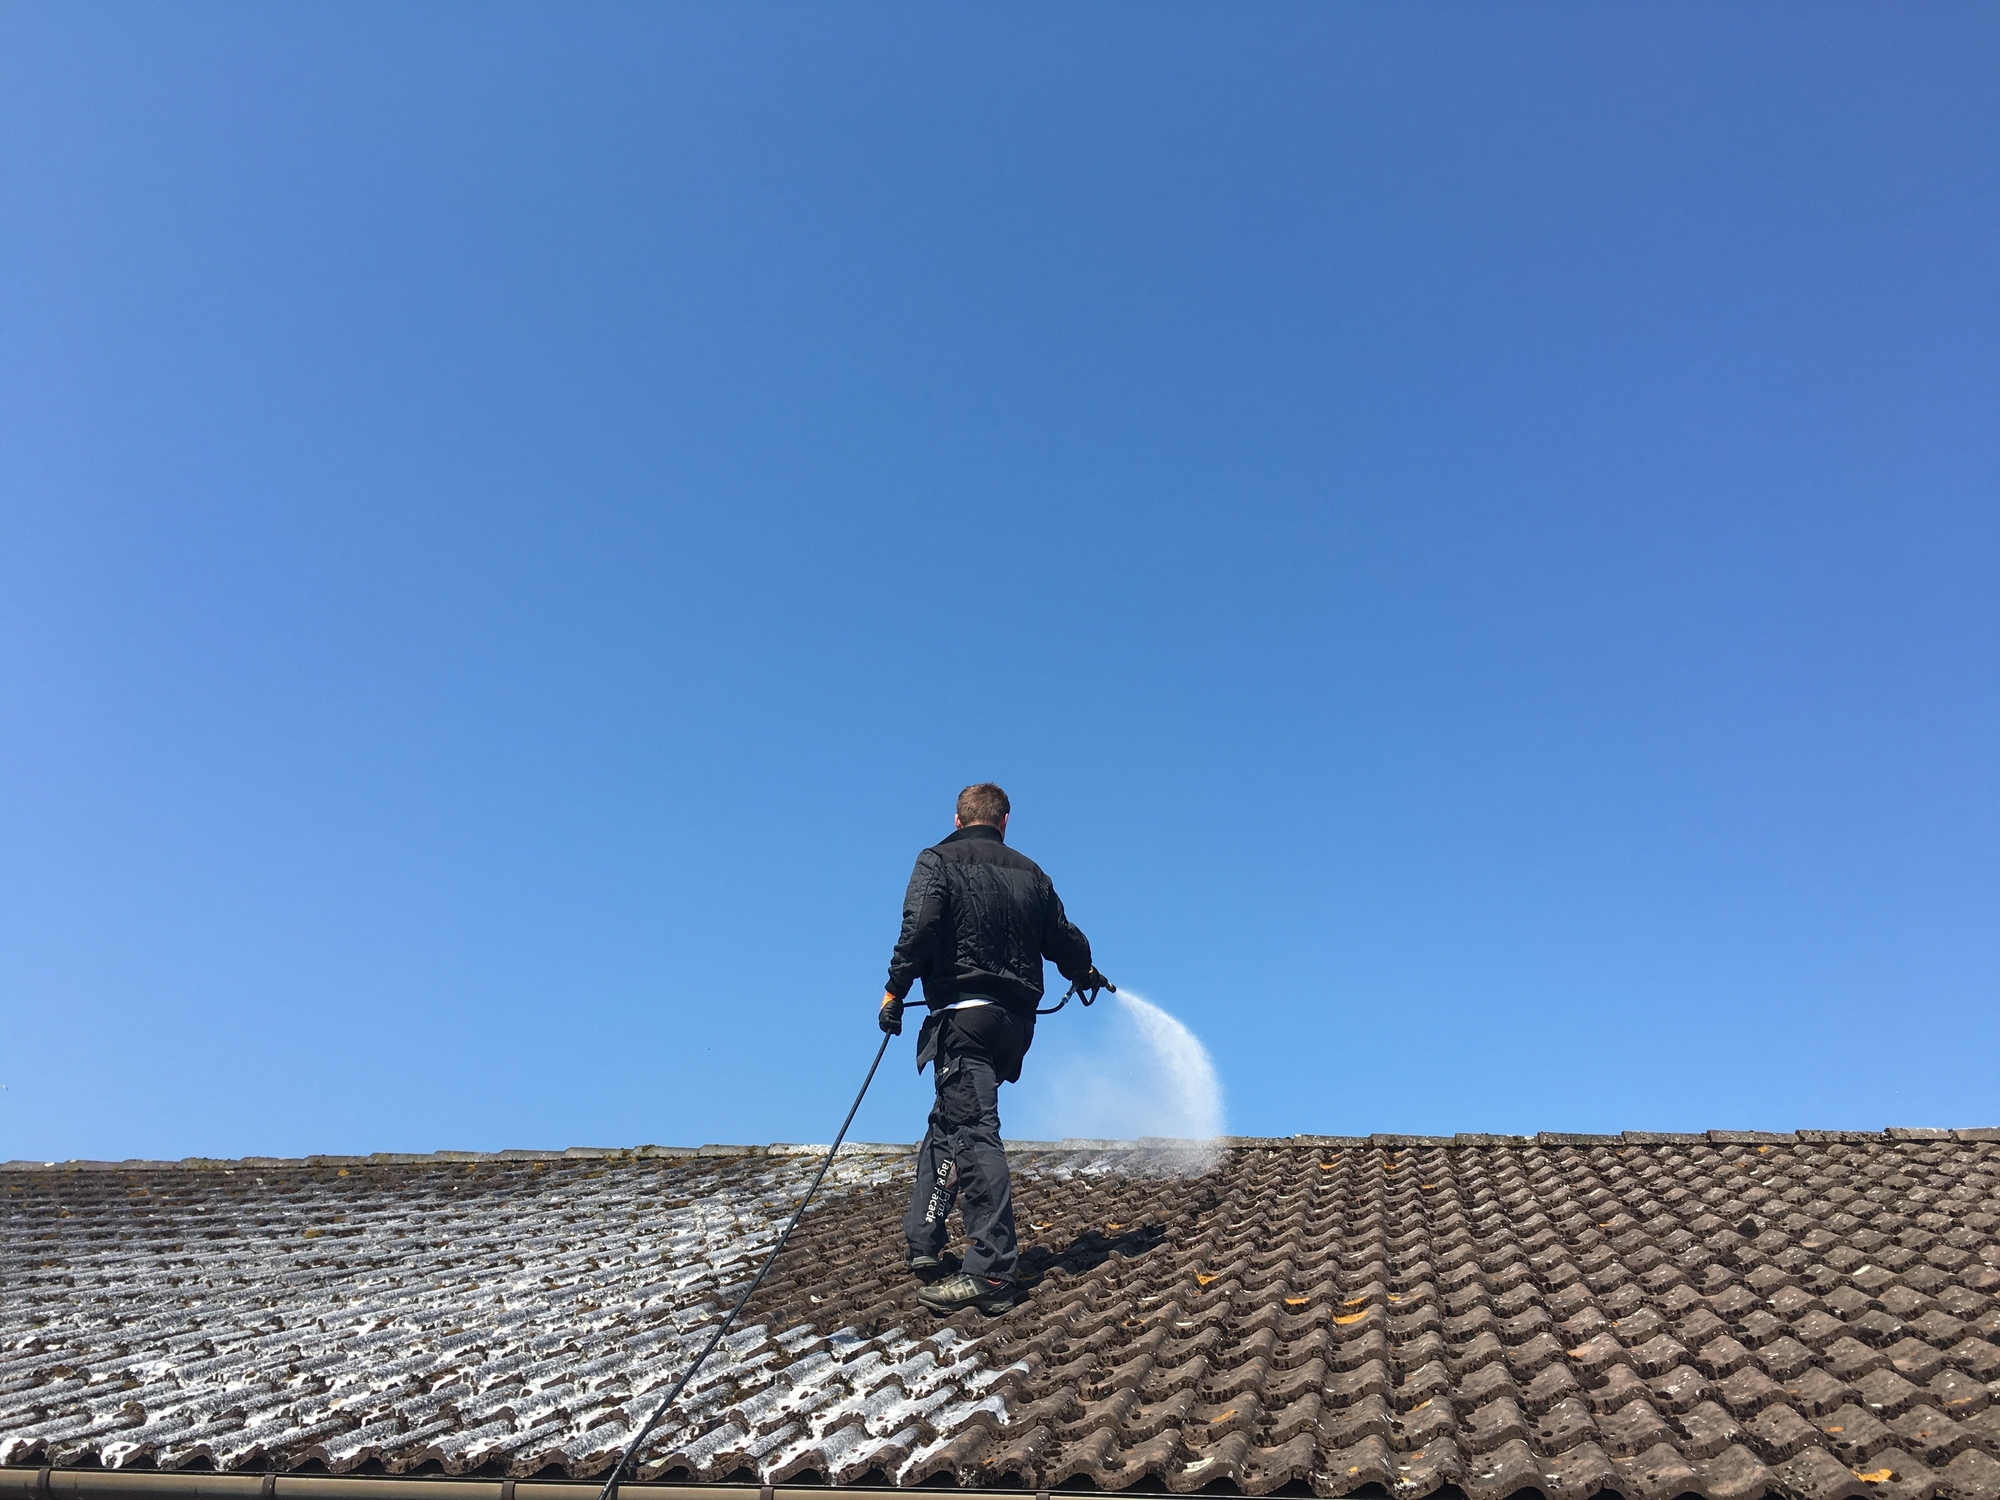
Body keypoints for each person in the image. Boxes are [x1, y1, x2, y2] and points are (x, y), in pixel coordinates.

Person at [879, 782, 1110, 1316]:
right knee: (951, 1120)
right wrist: (1086, 972)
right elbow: (1065, 939)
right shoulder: (1032, 873)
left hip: (965, 1020)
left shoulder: (936, 860)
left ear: (957, 820)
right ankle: (924, 1239)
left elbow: (920, 929)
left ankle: (991, 1271)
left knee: (972, 1128)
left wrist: (895, 991)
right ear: (1005, 822)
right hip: (1014, 1028)